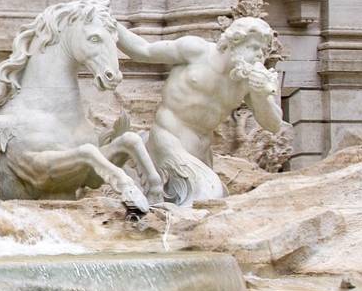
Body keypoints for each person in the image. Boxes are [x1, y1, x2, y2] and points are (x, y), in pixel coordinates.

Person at [115, 17, 285, 205]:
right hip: (169, 138)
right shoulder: (196, 51)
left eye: (263, 51)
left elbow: (274, 124)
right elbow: (143, 51)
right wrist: (111, 24)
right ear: (234, 42)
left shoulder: (246, 81)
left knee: (203, 201)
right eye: (254, 47)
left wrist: (261, 95)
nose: (259, 55)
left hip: (201, 153)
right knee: (207, 195)